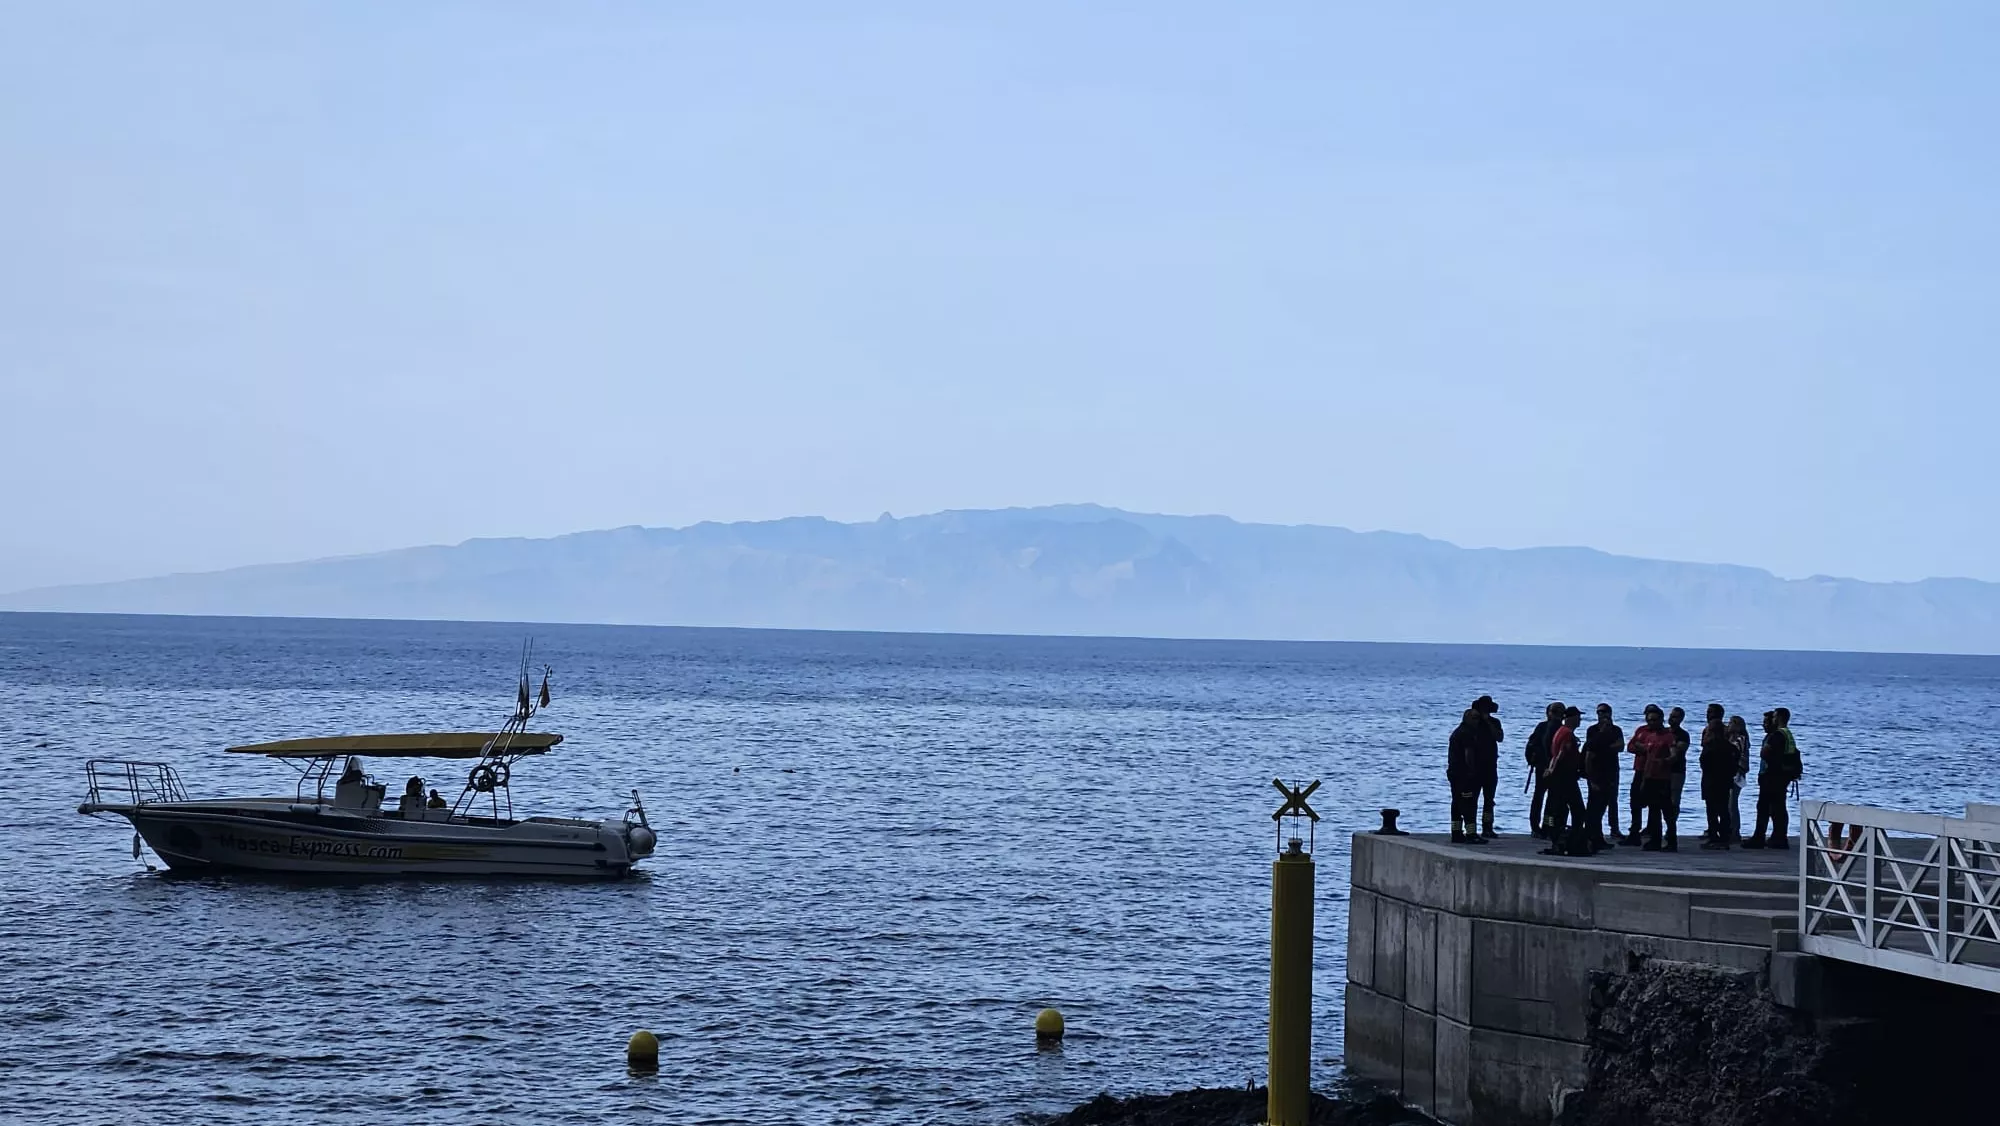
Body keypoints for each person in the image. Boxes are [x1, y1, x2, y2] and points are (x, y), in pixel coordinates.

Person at [1745, 709, 1802, 848]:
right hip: (1783, 776)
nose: (1773, 720)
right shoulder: (1788, 734)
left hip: (1772, 775)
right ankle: (1779, 837)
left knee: (1764, 807)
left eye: (1775, 717)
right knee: (1779, 808)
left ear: (1779, 718)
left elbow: (1766, 753)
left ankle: (1760, 837)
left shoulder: (1777, 735)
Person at [1540, 706, 1588, 855]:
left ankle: (1560, 839)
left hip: (1561, 776)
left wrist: (1551, 770)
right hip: (1565, 777)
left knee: (1560, 809)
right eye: (1578, 717)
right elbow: (1561, 754)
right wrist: (1554, 770)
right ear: (1571, 718)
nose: (1580, 720)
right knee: (1578, 810)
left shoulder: (1561, 731)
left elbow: (1555, 755)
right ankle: (1572, 840)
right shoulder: (1567, 734)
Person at [1628, 705, 1677, 850]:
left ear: (1661, 720)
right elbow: (1634, 747)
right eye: (1649, 720)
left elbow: (1674, 755)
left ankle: (1671, 840)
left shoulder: (1668, 736)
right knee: (1653, 809)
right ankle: (1655, 840)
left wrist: (1664, 761)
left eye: (1654, 720)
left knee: (1667, 810)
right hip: (1648, 776)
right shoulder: (1649, 735)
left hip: (1662, 778)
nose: (1651, 723)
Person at [1582, 703, 1625, 849]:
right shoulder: (1592, 730)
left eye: (1605, 712)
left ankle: (1613, 829)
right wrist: (1606, 745)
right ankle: (1593, 834)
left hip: (1611, 770)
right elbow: (1591, 748)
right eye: (1599, 712)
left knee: (1612, 799)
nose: (1602, 715)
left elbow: (1620, 746)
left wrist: (1603, 748)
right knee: (1595, 803)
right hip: (1596, 772)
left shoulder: (1616, 730)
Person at [1468, 695, 1505, 839]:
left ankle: (1487, 827)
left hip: (1490, 766)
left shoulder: (1494, 722)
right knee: (1472, 799)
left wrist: (1488, 722)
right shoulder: (1474, 722)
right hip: (1476, 766)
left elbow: (1499, 737)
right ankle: (1471, 829)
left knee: (1489, 800)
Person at [1448, 708, 1487, 845]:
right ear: (1467, 719)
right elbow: (1468, 754)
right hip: (1464, 775)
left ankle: (1456, 832)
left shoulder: (1458, 732)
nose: (1477, 721)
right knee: (1468, 803)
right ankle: (1471, 834)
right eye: (1475, 718)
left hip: (1455, 773)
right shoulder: (1466, 733)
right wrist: (1472, 771)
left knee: (1457, 803)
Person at [1698, 704, 1734, 849]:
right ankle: (1724, 837)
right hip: (1724, 781)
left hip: (1711, 780)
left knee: (1712, 809)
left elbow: (1704, 762)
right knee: (1723, 809)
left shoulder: (1710, 746)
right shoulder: (1730, 747)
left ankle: (1714, 836)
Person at [1525, 702, 1562, 838]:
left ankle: (1546, 826)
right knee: (1541, 797)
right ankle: (1537, 827)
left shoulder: (1559, 728)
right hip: (1544, 767)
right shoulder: (1543, 727)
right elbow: (1532, 745)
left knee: (1550, 799)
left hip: (1552, 767)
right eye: (1555, 712)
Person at [1666, 707, 1691, 847]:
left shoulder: (1683, 734)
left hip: (1677, 771)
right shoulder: (1664, 732)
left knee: (1674, 801)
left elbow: (1679, 751)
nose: (1671, 719)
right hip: (1662, 770)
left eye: (1675, 717)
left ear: (1681, 719)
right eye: (1671, 716)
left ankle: (1671, 828)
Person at [1726, 715, 1751, 843]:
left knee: (1732, 802)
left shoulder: (1741, 739)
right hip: (1731, 772)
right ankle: (1730, 829)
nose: (1728, 725)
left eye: (1731, 723)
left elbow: (1736, 753)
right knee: (1729, 802)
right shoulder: (1731, 738)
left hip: (1737, 772)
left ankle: (1734, 831)